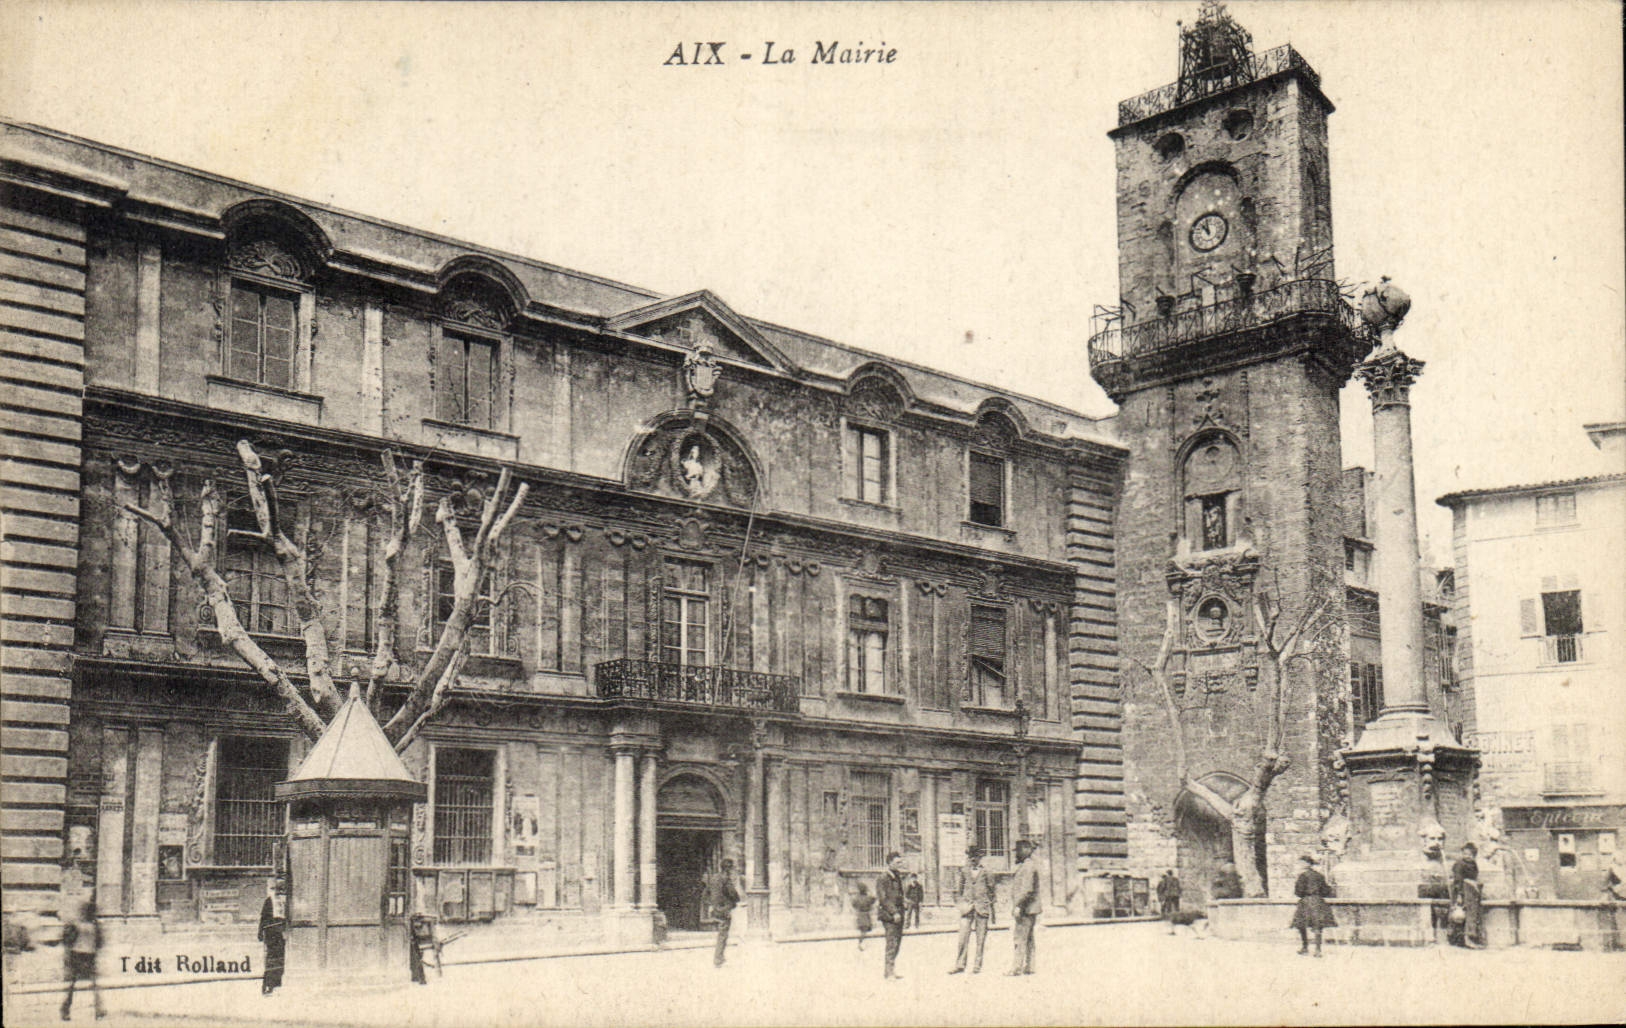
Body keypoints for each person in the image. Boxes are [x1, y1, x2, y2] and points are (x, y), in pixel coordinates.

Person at [948, 845, 994, 974]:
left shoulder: (987, 871)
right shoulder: (964, 871)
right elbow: (959, 890)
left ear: (980, 857)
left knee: (980, 939)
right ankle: (960, 964)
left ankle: (977, 965)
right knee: (962, 937)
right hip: (967, 908)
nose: (973, 859)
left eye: (976, 857)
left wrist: (987, 903)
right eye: (971, 857)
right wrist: (961, 904)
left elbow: (992, 890)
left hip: (981, 908)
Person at [59, 899, 103, 1021]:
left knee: (75, 984)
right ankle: (97, 1010)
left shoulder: (79, 924)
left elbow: (67, 940)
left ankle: (66, 1010)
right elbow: (99, 942)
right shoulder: (92, 925)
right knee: (90, 984)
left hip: (80, 955)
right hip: (84, 955)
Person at [1290, 855, 1336, 957]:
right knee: (1317, 926)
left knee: (1301, 925)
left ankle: (1305, 947)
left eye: (1301, 863)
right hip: (1318, 901)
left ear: (1307, 864)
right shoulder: (1319, 875)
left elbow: (1298, 892)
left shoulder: (1302, 876)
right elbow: (1326, 890)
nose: (1300, 865)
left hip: (1306, 902)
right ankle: (1318, 950)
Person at [1007, 839, 1040, 976]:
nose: (1016, 854)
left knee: (1020, 938)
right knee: (1029, 938)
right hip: (1030, 908)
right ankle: (1030, 966)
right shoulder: (1028, 865)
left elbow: (1026, 890)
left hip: (1026, 908)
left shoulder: (1027, 867)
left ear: (1026, 850)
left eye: (1018, 851)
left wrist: (1018, 905)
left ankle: (1016, 968)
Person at [875, 851, 908, 979]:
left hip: (899, 914)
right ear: (889, 863)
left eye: (900, 862)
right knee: (891, 943)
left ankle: (891, 970)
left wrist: (904, 902)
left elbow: (899, 894)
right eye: (897, 862)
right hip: (889, 916)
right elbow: (883, 898)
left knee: (897, 943)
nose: (900, 864)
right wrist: (894, 912)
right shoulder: (883, 878)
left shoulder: (897, 876)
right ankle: (889, 972)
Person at [1448, 842, 1484, 949]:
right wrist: (1459, 895)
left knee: (1471, 914)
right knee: (1464, 915)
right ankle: (1467, 938)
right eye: (1465, 854)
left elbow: (1475, 876)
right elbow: (1458, 880)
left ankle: (1467, 938)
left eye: (1470, 855)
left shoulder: (1473, 864)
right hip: (1462, 892)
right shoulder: (1459, 864)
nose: (1467, 856)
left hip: (1471, 893)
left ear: (1474, 855)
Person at [710, 858, 742, 968]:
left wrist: (712, 905)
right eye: (732, 868)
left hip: (716, 908)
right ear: (728, 869)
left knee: (721, 933)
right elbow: (733, 893)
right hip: (724, 910)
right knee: (723, 934)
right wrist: (736, 900)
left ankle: (720, 957)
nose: (733, 870)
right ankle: (718, 959)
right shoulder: (726, 879)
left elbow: (707, 892)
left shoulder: (714, 877)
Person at [258, 879, 287, 995]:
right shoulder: (269, 901)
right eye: (276, 889)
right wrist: (260, 932)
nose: (279, 892)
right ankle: (267, 984)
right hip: (271, 933)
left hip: (280, 933)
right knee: (271, 958)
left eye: (281, 890)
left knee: (279, 958)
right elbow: (263, 917)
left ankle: (276, 983)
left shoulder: (284, 902)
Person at [851, 881, 876, 950]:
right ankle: (861, 943)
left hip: (860, 914)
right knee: (865, 930)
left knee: (863, 930)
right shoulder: (867, 897)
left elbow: (853, 904)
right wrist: (870, 891)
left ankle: (862, 943)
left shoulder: (857, 898)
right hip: (866, 915)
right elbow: (874, 899)